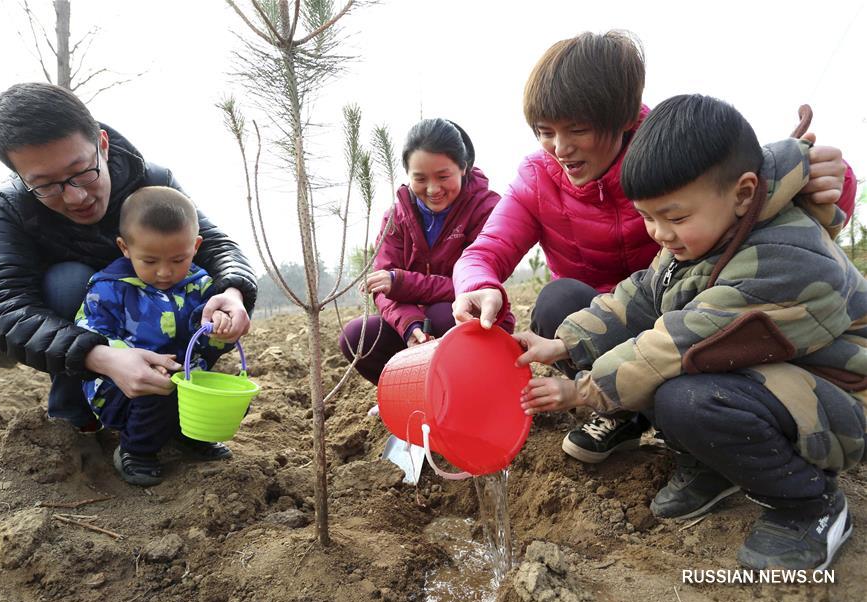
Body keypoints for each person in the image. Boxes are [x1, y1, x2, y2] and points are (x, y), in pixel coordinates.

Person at [451, 31, 856, 464]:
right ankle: (626, 415)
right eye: (545, 132)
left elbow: (765, 193)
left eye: (578, 130)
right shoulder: (538, 177)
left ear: (623, 119)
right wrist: (481, 286)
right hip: (629, 317)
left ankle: (750, 467)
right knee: (559, 301)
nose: (560, 149)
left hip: (699, 315)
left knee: (689, 389)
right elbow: (488, 248)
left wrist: (834, 181)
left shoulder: (677, 159)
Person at [514, 94, 865, 570]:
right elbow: (640, 294)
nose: (659, 233)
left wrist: (579, 390)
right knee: (673, 383)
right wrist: (565, 341)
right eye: (648, 217)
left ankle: (811, 506)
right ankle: (714, 465)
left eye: (675, 218)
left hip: (840, 398)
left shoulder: (786, 259)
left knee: (686, 394)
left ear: (743, 193)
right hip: (772, 377)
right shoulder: (712, 233)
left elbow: (675, 344)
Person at [0, 82, 257, 432]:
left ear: (102, 145)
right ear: (20, 177)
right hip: (7, 331)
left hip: (125, 310)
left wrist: (233, 292)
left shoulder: (152, 183)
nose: (75, 197)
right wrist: (100, 356)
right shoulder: (5, 208)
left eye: (82, 172)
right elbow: (2, 306)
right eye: (46, 185)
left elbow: (215, 248)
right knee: (69, 282)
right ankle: (75, 418)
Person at [77, 187, 240, 485]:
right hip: (122, 387)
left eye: (178, 260)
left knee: (216, 395)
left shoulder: (201, 286)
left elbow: (207, 341)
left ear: (196, 246)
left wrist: (220, 331)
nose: (165, 272)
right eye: (150, 261)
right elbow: (90, 332)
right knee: (157, 395)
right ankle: (136, 450)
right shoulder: (109, 288)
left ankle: (192, 436)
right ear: (125, 248)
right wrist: (124, 357)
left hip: (183, 379)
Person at [339, 118, 512, 384]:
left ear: (463, 167)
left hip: (474, 321)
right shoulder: (395, 219)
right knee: (358, 337)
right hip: (415, 323)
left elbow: (471, 287)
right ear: (408, 175)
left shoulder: (486, 209)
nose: (433, 189)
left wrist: (400, 282)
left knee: (444, 315)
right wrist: (410, 325)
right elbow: (382, 288)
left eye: (443, 177)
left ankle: (471, 394)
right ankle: (411, 395)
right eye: (420, 179)